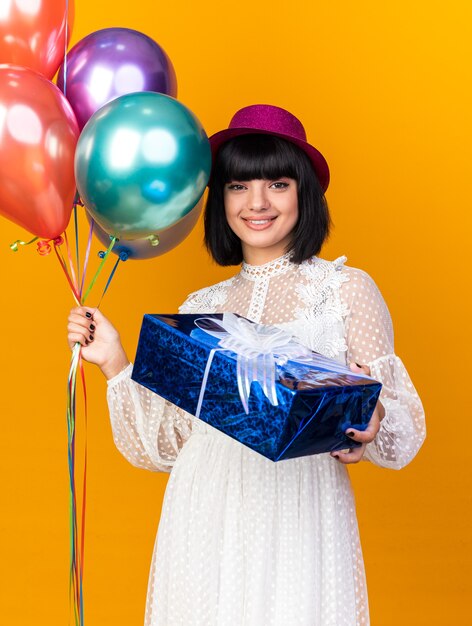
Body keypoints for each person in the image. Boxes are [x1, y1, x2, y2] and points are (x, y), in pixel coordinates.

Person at [67, 104, 426, 626]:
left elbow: (397, 427)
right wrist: (115, 360)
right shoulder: (199, 307)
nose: (257, 203)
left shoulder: (346, 290)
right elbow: (166, 444)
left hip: (298, 505)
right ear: (219, 198)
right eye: (238, 186)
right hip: (203, 504)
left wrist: (371, 422)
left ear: (305, 193)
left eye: (277, 184)